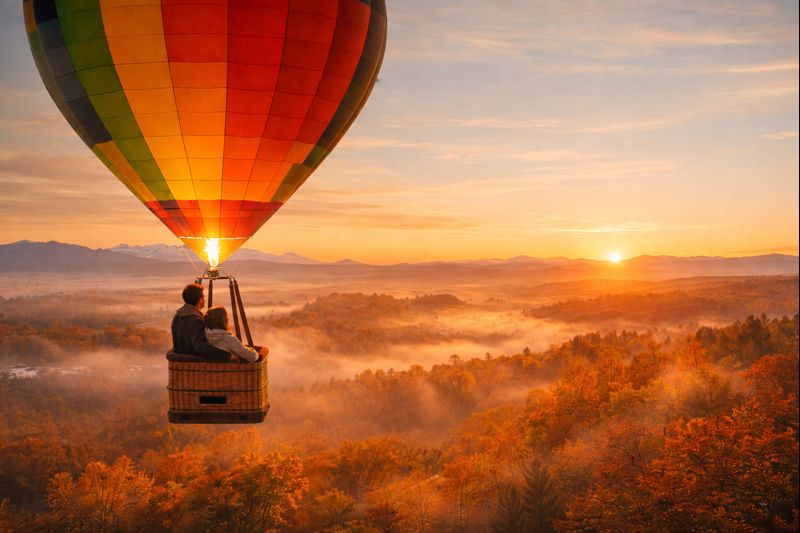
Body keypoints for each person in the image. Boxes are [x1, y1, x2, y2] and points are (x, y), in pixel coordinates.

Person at [171, 284, 231, 362]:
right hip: (194, 366)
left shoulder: (177, 316)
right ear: (200, 300)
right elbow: (202, 348)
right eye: (203, 297)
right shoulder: (196, 320)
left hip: (180, 363)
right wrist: (227, 355)